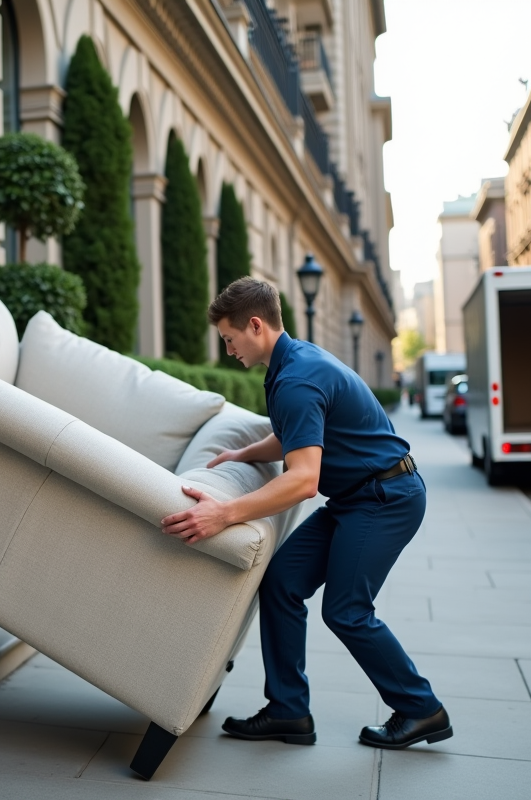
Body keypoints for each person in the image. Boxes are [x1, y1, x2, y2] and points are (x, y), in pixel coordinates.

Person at [161, 278, 451, 750]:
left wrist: (225, 514)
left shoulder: (295, 378)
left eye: (230, 339)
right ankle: (288, 711)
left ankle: (422, 709)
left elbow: (302, 480)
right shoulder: (293, 361)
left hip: (385, 498)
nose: (228, 350)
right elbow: (299, 433)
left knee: (347, 611)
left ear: (255, 325)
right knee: (281, 583)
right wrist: (246, 454)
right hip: (357, 497)